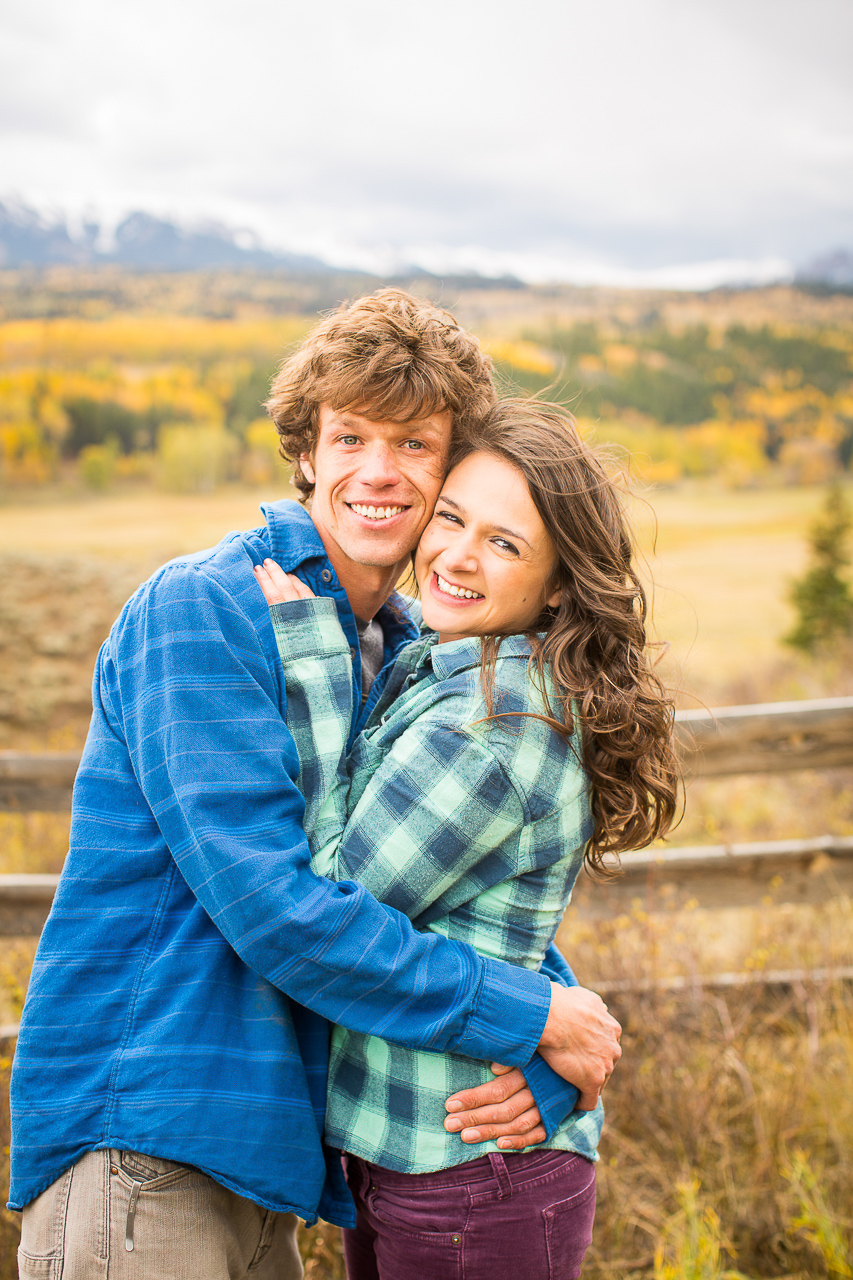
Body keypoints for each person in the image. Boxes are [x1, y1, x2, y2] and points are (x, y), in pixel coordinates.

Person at [10, 292, 622, 1280]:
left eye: (414, 444)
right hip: (147, 1136)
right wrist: (533, 1020)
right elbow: (283, 913)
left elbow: (453, 900)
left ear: (449, 468)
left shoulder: (412, 650)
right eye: (349, 437)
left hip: (280, 1158)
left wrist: (551, 1067)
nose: (378, 472)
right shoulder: (206, 609)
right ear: (304, 450)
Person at [254, 398, 678, 1279]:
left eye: (505, 543)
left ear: (559, 582)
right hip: (416, 1149)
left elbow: (335, 905)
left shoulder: (486, 728)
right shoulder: (449, 663)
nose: (455, 555)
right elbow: (477, 924)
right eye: (451, 518)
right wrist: (561, 1031)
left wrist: (314, 673)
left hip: (472, 1174)